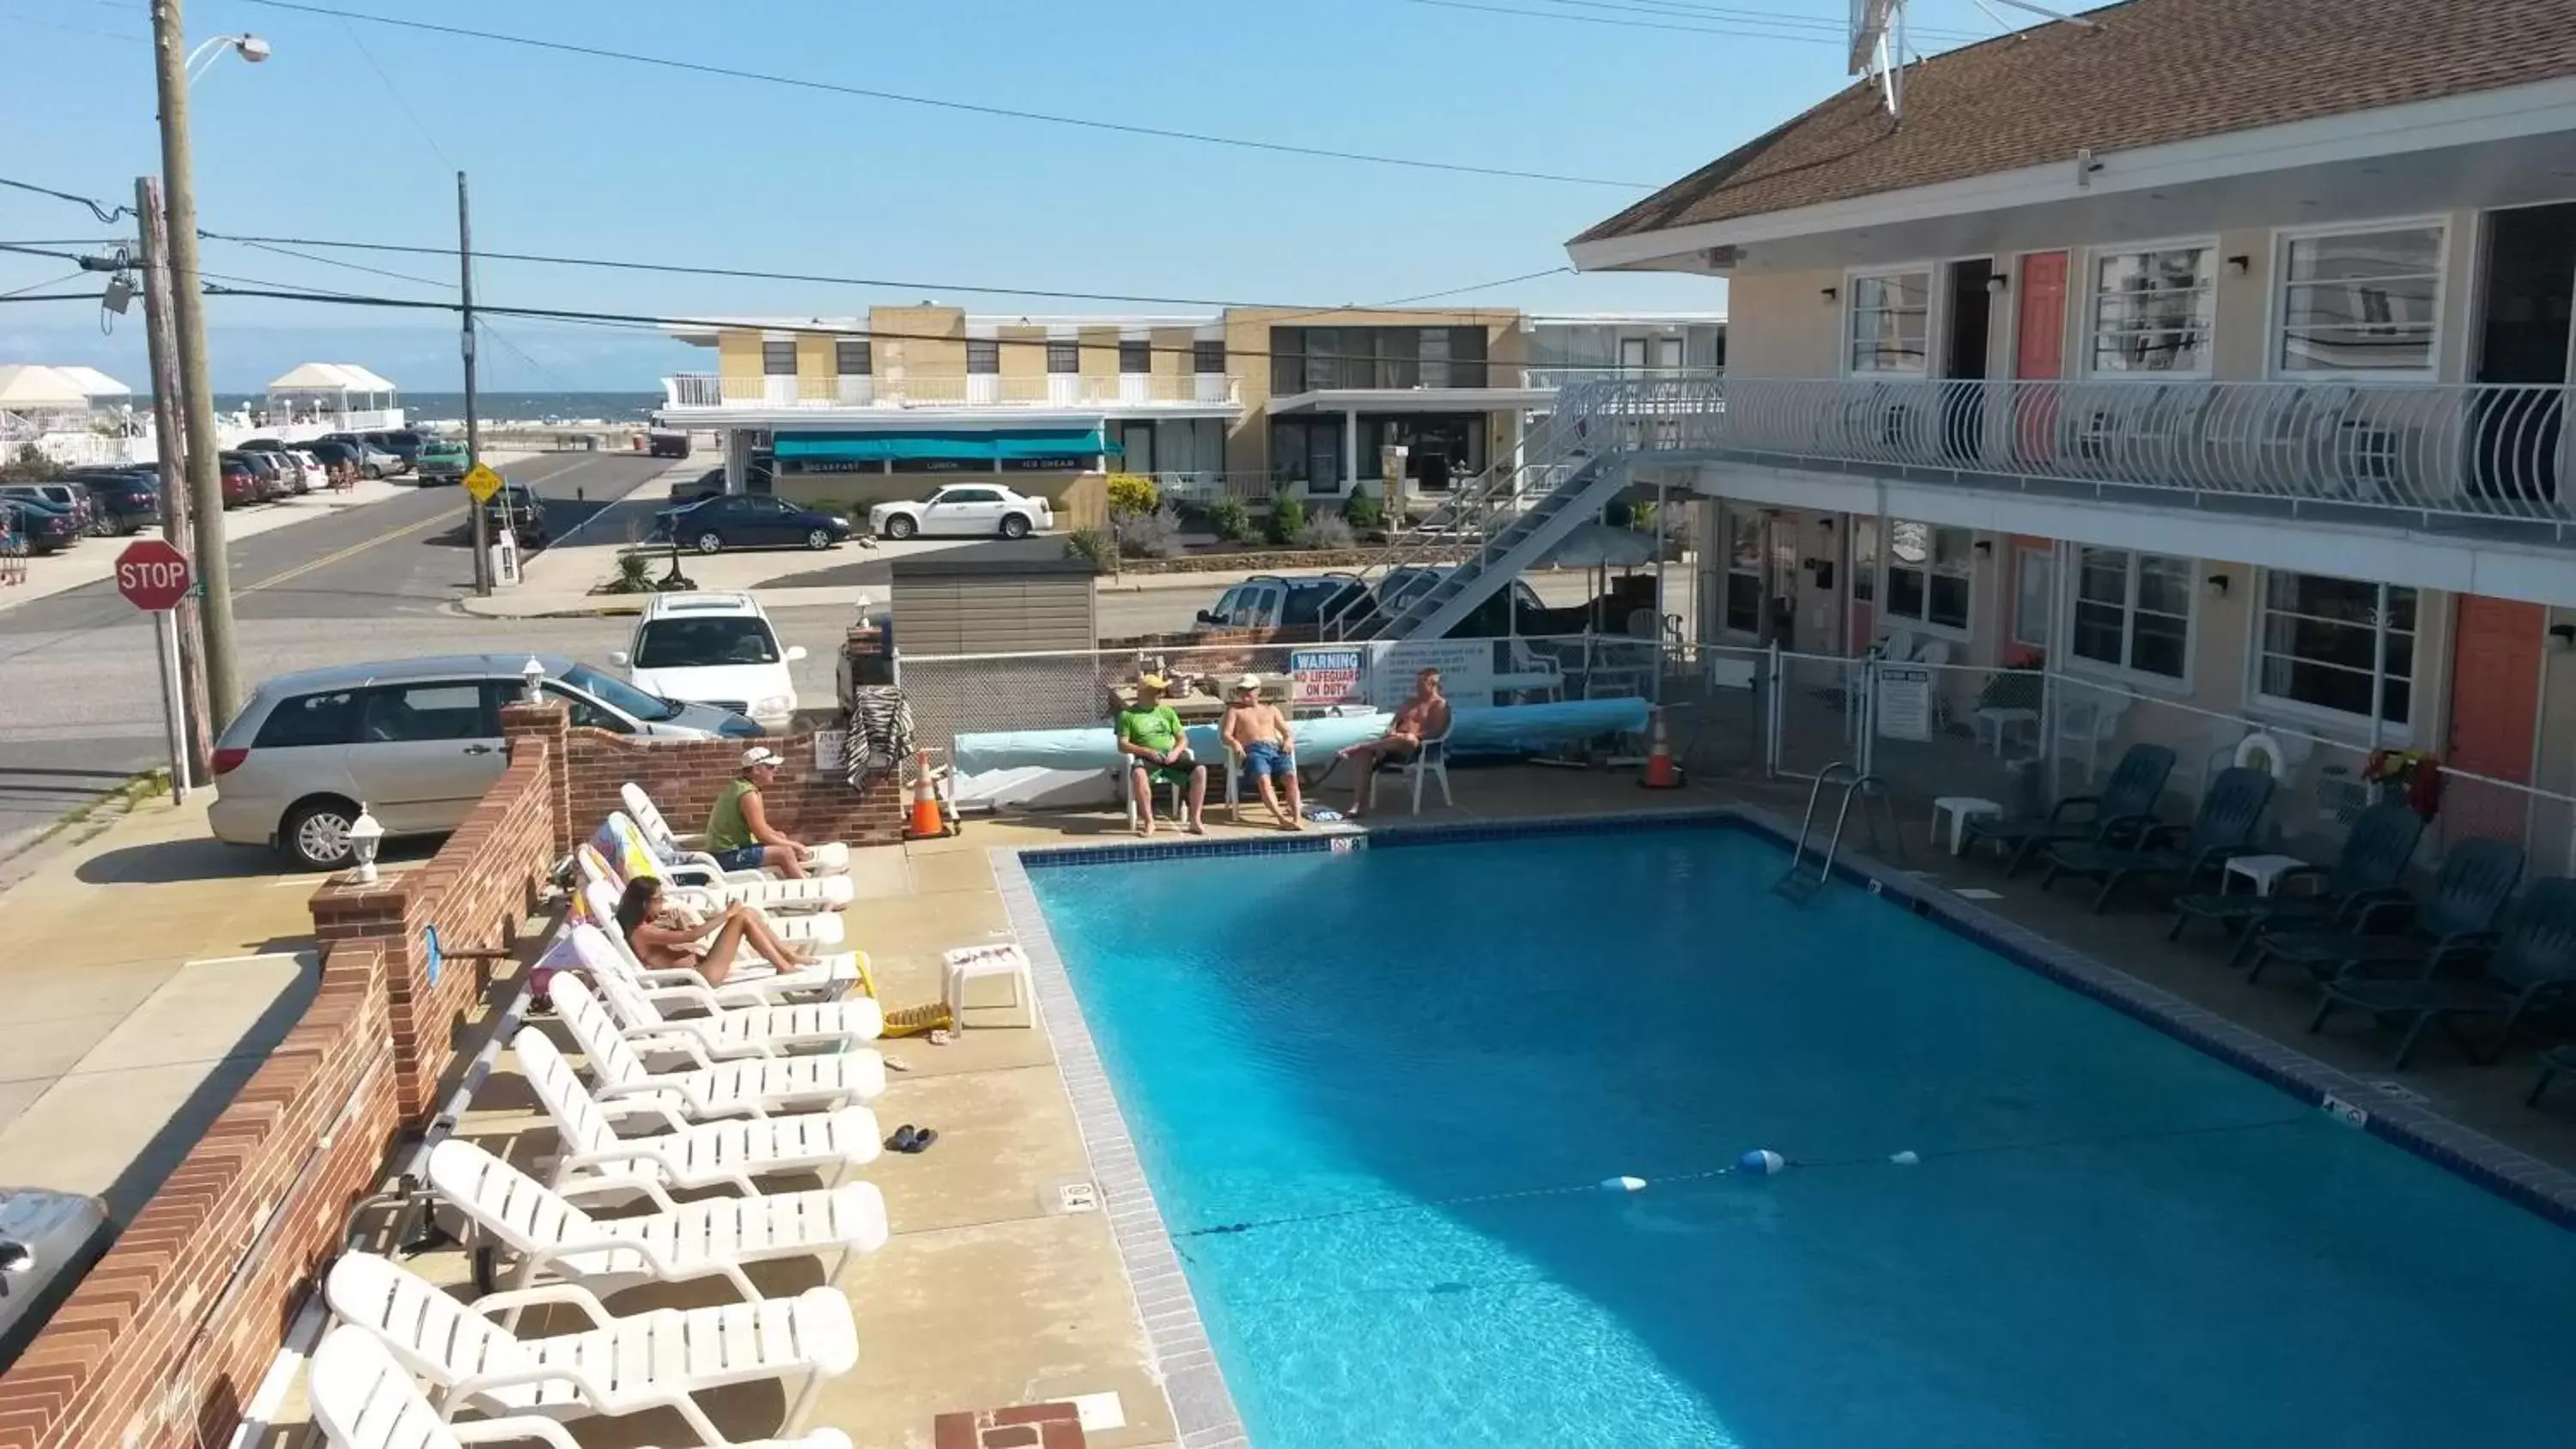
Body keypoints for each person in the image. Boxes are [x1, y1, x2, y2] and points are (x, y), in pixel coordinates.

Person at [612, 876, 809, 986]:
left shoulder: (647, 925)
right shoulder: (642, 932)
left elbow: (682, 942)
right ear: (644, 903)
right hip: (701, 978)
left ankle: (787, 956)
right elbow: (693, 936)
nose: (663, 903)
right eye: (659, 899)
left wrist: (679, 921)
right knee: (741, 917)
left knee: (746, 912)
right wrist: (727, 914)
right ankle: (784, 966)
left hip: (703, 966)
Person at [1340, 667, 1449, 818]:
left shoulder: (1440, 705)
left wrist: (1410, 735)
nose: (1416, 687)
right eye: (1416, 684)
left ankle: (1359, 746)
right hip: (1392, 745)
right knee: (1365, 755)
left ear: (1432, 685)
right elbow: (1395, 721)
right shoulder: (1410, 702)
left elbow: (1436, 732)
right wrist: (1392, 730)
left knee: (1409, 739)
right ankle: (1357, 805)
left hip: (1417, 750)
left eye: (1420, 684)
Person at [1115, 673, 1207, 836]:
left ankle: (1195, 819)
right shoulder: (1127, 715)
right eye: (1158, 691)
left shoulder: (1167, 712)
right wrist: (1147, 752)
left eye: (1162, 690)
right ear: (1145, 692)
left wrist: (1176, 752)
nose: (1162, 694)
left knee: (1200, 770)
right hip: (1147, 757)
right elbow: (1122, 745)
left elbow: (1183, 738)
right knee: (1138, 774)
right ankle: (1149, 822)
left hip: (1171, 756)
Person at [705, 746, 811, 879]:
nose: (776, 770)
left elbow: (763, 828)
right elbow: (762, 836)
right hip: (727, 856)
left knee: (781, 837)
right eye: (771, 767)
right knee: (784, 853)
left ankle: (796, 874)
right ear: (756, 770)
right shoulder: (748, 794)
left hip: (727, 851)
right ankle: (808, 887)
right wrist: (797, 846)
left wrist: (784, 841)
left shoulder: (741, 785)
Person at [1220, 674, 1303, 830]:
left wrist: (1288, 740)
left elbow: (1286, 731)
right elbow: (1226, 734)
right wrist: (1235, 743)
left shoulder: (1271, 710)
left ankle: (1297, 817)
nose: (1245, 693)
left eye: (1249, 689)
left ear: (1258, 691)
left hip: (1275, 748)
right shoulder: (1235, 711)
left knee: (1291, 777)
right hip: (1254, 750)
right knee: (1265, 782)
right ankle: (1281, 819)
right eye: (1241, 690)